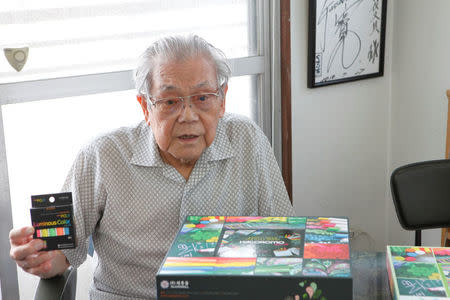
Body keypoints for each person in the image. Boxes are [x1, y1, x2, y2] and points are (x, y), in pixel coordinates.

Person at [9, 34, 295, 299]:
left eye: (202, 98)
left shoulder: (247, 139)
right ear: (145, 107)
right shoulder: (103, 154)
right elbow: (60, 252)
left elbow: (285, 239)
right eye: (170, 101)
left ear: (222, 101)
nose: (188, 116)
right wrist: (40, 257)